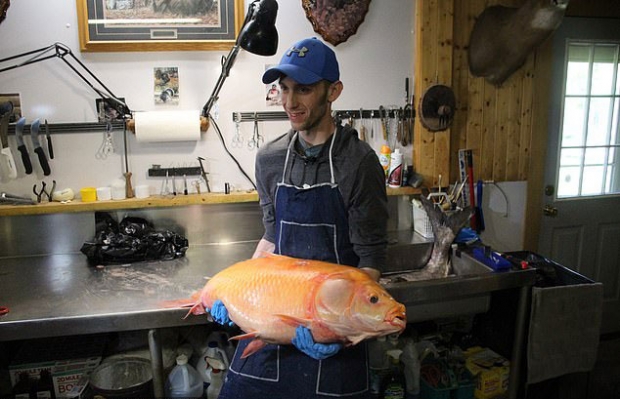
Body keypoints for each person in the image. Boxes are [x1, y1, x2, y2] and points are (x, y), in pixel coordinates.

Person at [216, 37, 389, 399]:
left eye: (304, 90)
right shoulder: (269, 159)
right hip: (275, 330)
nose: (290, 103)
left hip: (333, 346)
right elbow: (270, 239)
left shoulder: (359, 164)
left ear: (334, 91)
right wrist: (235, 293)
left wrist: (332, 329)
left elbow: (371, 263)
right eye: (284, 89)